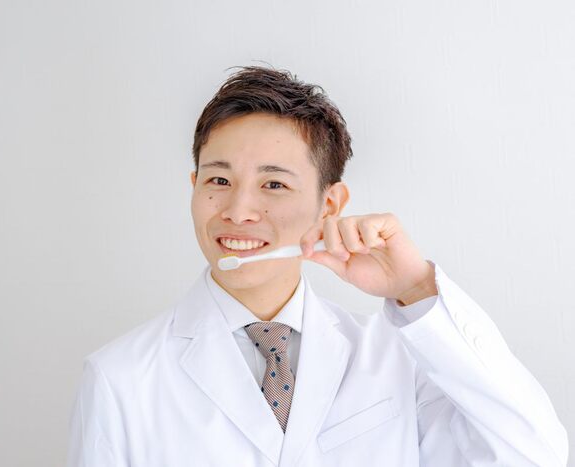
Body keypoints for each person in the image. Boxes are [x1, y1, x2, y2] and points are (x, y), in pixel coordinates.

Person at [65, 65, 568, 466]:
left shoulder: (394, 358)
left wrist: (416, 288)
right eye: (218, 180)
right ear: (193, 186)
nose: (238, 210)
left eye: (274, 184)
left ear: (330, 205)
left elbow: (532, 453)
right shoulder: (120, 378)